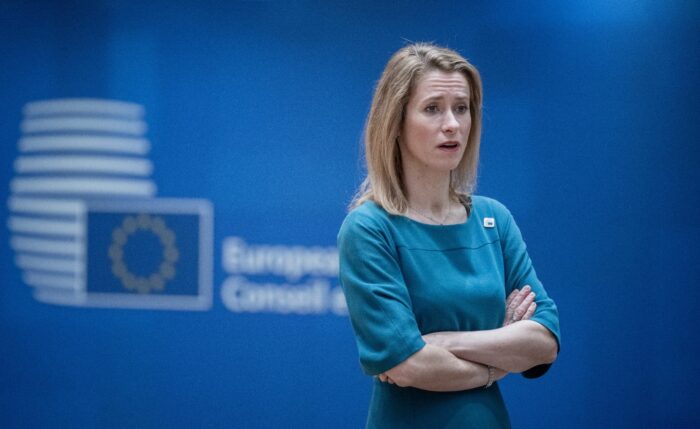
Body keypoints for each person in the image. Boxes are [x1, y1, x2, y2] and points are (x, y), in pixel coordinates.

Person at [337, 43, 561, 429]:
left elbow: (544, 341)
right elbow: (407, 364)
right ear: (395, 121)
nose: (453, 124)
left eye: (462, 108)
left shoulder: (495, 219)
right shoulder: (369, 228)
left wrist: (444, 342)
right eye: (432, 108)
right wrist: (497, 362)